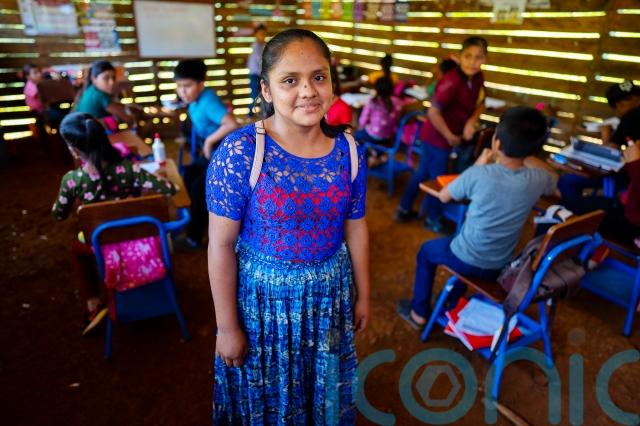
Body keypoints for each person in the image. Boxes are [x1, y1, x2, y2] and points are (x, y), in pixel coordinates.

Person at [206, 28, 370, 423]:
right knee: (269, 399)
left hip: (329, 299)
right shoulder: (242, 153)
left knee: (320, 393)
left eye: (319, 77)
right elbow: (221, 245)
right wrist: (226, 328)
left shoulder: (349, 151)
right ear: (266, 89)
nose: (308, 91)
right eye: (290, 80)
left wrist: (364, 294)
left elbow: (356, 228)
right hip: (264, 306)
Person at [397, 107, 557, 328]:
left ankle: (418, 313)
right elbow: (553, 178)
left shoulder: (479, 174)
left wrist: (480, 163)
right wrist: (526, 155)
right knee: (460, 247)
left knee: (426, 252)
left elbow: (444, 196)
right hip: (500, 265)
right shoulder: (538, 179)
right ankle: (450, 302)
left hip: (465, 259)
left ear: (497, 143)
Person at [51, 112, 176, 333]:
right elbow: (169, 188)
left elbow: (58, 214)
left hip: (99, 246)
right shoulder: (129, 169)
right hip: (137, 239)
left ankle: (93, 303)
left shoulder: (72, 181)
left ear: (75, 150)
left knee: (77, 250)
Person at [394, 37, 488, 232]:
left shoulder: (477, 78)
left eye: (478, 57)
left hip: (445, 137)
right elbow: (433, 112)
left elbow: (482, 103)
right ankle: (433, 219)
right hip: (437, 137)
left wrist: (471, 121)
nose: (473, 61)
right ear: (460, 57)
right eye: (468, 56)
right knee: (440, 179)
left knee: (422, 172)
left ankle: (403, 209)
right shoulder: (452, 81)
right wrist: (450, 136)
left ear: (485, 59)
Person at [173, 59, 238, 248]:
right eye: (179, 86)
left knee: (199, 189)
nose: (182, 91)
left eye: (187, 86)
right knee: (189, 174)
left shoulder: (208, 100)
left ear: (201, 84)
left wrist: (208, 141)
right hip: (213, 152)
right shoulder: (194, 100)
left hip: (225, 154)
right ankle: (200, 220)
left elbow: (232, 124)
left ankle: (194, 238)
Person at [558, 80, 640, 199]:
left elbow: (609, 154)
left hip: (633, 178)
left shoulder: (630, 118)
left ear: (620, 105)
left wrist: (605, 133)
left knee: (567, 181)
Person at [561, 140, 640, 246]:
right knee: (567, 185)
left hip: (630, 218)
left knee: (564, 206)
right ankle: (578, 238)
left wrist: (635, 163)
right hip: (624, 203)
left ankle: (578, 241)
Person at [355, 76, 403, 167]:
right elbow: (397, 120)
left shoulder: (373, 101)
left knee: (357, 136)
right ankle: (377, 155)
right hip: (388, 137)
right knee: (368, 136)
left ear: (376, 88)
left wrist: (362, 126)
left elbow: (362, 121)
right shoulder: (398, 102)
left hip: (372, 136)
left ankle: (369, 156)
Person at [74, 60, 135, 128]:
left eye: (113, 78)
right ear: (94, 79)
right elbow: (128, 119)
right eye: (106, 78)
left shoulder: (90, 91)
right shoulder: (99, 95)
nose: (112, 82)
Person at [247, 24, 267, 118]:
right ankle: (250, 115)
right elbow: (259, 60)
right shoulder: (255, 46)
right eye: (260, 34)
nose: (262, 36)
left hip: (261, 74)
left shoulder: (264, 46)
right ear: (256, 35)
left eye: (264, 34)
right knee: (255, 94)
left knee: (264, 94)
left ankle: (263, 113)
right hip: (255, 74)